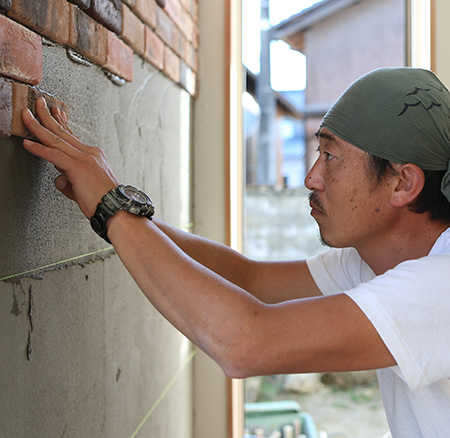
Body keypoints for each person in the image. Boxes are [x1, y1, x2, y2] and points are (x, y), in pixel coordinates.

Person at [20, 67, 450, 438]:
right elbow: (248, 280)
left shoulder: (440, 284)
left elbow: (248, 342)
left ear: (402, 183)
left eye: (332, 156)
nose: (311, 177)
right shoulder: (375, 262)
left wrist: (114, 208)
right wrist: (109, 206)